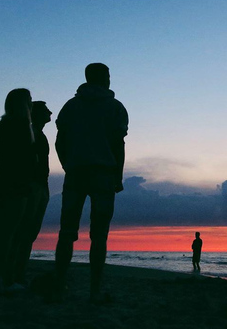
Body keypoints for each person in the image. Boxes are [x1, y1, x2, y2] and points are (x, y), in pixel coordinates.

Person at [53, 63, 129, 304]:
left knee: (66, 232)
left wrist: (69, 165)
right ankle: (94, 291)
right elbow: (119, 146)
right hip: (104, 174)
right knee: (99, 236)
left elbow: (59, 142)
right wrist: (118, 176)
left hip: (75, 172)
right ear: (104, 78)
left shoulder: (71, 106)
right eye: (108, 75)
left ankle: (59, 286)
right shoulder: (115, 108)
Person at [0, 88, 37, 294]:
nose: (32, 102)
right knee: (7, 236)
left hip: (1, 183)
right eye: (29, 99)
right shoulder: (21, 126)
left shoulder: (3, 124)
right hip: (16, 185)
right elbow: (25, 160)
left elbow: (0, 160)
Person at [9, 100, 52, 286]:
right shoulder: (30, 133)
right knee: (24, 232)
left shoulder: (40, 134)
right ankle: (14, 273)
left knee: (29, 233)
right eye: (46, 110)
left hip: (40, 186)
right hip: (33, 186)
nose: (50, 112)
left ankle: (17, 272)